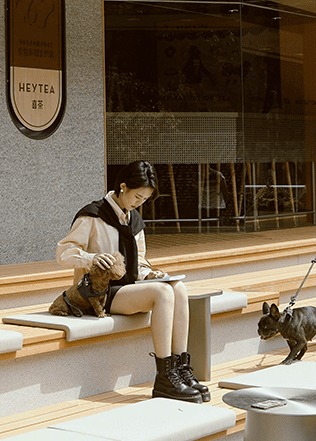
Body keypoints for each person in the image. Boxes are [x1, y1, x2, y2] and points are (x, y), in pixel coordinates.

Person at [57, 161, 206, 402]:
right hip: (98, 294)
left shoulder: (134, 221)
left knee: (178, 288)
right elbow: (63, 253)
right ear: (122, 187)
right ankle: (165, 377)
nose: (139, 204)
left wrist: (151, 274)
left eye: (145, 199)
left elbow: (141, 262)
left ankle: (180, 368)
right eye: (137, 196)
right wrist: (92, 258)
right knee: (162, 294)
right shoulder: (92, 216)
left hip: (125, 289)